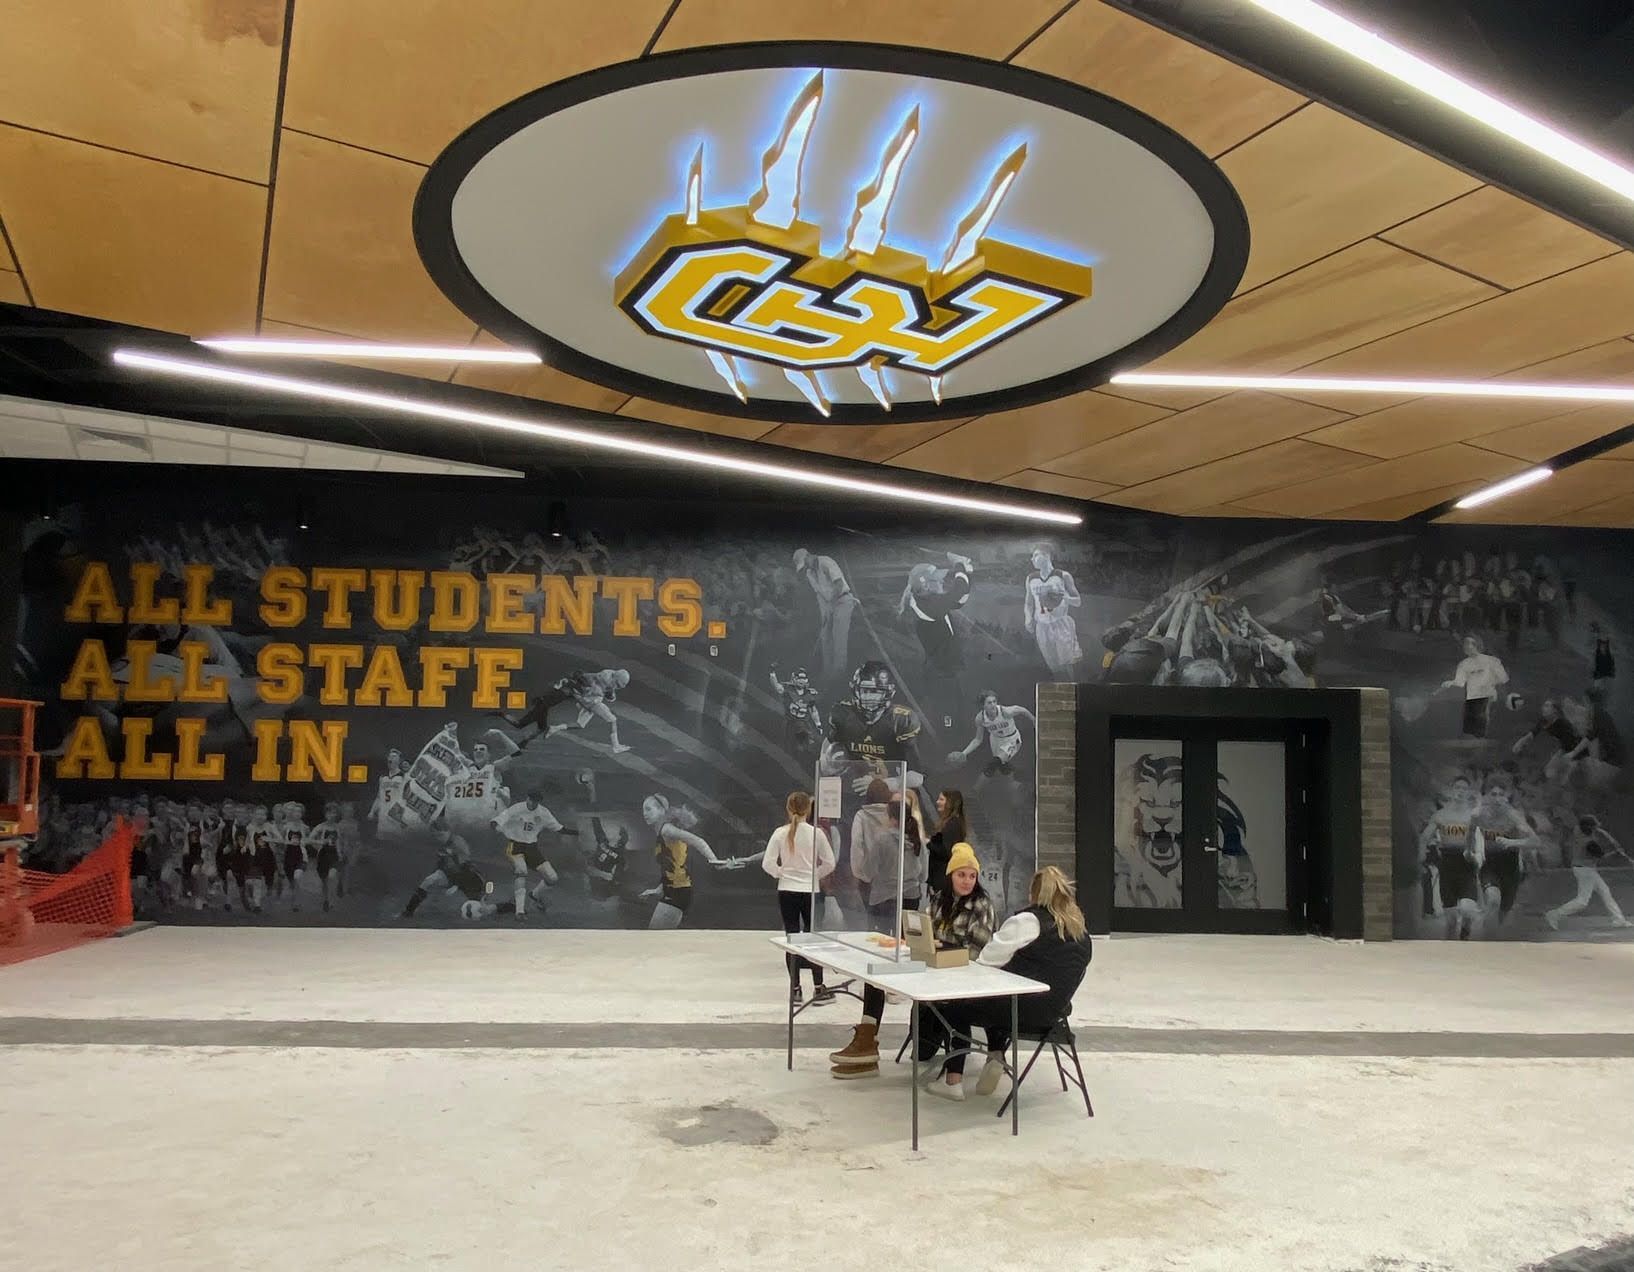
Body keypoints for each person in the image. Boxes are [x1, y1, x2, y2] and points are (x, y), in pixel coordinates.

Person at [921, 865, 1092, 1102]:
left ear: (1034, 893)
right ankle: (995, 1054)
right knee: (1001, 996)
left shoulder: (1027, 922)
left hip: (1017, 1013)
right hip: (1053, 1018)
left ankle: (953, 1080)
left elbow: (986, 961)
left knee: (954, 1006)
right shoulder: (1081, 932)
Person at [832, 842, 995, 1082]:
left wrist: (944, 951)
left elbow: (977, 952)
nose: (967, 881)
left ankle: (953, 1060)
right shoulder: (939, 899)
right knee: (877, 979)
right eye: (961, 875)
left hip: (960, 977)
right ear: (951, 876)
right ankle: (867, 1038)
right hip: (929, 969)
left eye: (972, 876)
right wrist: (920, 943)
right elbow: (923, 929)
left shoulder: (981, 905)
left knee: (925, 1048)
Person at [762, 791, 837, 1005]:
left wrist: (781, 873)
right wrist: (814, 875)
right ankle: (819, 987)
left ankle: (795, 989)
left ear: (788, 808)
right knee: (813, 940)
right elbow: (829, 862)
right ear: (809, 809)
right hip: (810, 891)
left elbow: (767, 863)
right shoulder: (817, 833)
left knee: (792, 939)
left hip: (786, 890)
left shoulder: (779, 833)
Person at [640, 794, 755, 930]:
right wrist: (658, 889)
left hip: (677, 892)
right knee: (661, 939)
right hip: (674, 891)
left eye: (648, 809)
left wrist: (716, 862)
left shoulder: (667, 829)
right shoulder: (662, 833)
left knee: (656, 939)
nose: (644, 814)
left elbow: (697, 841)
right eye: (643, 810)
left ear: (662, 810)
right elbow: (671, 867)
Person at [493, 791, 576, 919]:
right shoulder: (517, 808)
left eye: (535, 801)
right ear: (527, 798)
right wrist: (495, 825)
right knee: (521, 872)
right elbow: (500, 819)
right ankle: (519, 912)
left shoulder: (543, 813)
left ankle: (535, 895)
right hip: (515, 846)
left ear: (538, 802)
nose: (532, 803)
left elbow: (558, 828)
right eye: (530, 800)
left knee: (552, 878)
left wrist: (576, 833)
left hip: (532, 848)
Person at [1545, 815, 1632, 930]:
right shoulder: (1589, 842)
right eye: (1593, 827)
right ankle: (1554, 914)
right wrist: (1615, 852)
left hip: (1585, 869)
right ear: (1588, 828)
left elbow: (1595, 832)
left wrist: (1600, 832)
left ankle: (1619, 919)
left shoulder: (1578, 831)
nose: (1596, 829)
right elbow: (1601, 857)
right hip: (1585, 871)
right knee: (1582, 902)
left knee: (1605, 891)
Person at [792, 548, 856, 682]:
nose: (806, 567)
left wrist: (832, 604)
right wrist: (825, 613)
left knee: (838, 638)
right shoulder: (809, 573)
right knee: (825, 637)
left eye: (806, 563)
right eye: (803, 567)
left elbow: (838, 585)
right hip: (828, 605)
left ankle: (838, 674)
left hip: (843, 601)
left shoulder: (826, 562)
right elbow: (819, 594)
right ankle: (827, 672)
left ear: (809, 556)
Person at [1023, 544, 1082, 679]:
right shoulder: (1031, 578)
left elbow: (1078, 601)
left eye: (1036, 555)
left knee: (1066, 664)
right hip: (1042, 625)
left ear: (1047, 555)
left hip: (1060, 623)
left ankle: (1071, 693)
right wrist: (1028, 618)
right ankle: (1059, 694)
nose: (1033, 559)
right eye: (1032, 556)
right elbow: (1028, 603)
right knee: (1053, 666)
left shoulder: (1063, 575)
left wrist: (1064, 598)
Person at [1440, 635, 1508, 739]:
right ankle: (1478, 740)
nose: (1468, 646)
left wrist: (1490, 683)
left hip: (1487, 694)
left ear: (1478, 645)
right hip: (1472, 697)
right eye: (1465, 644)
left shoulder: (1491, 661)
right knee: (1471, 727)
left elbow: (1503, 678)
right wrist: (1450, 682)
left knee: (1482, 715)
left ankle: (1483, 736)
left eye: (1471, 643)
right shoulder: (1463, 664)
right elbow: (1460, 682)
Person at [924, 789, 967, 894]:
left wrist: (928, 843)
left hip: (943, 878)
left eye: (941, 799)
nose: (937, 802)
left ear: (950, 803)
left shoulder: (953, 825)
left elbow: (947, 851)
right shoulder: (951, 823)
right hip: (940, 877)